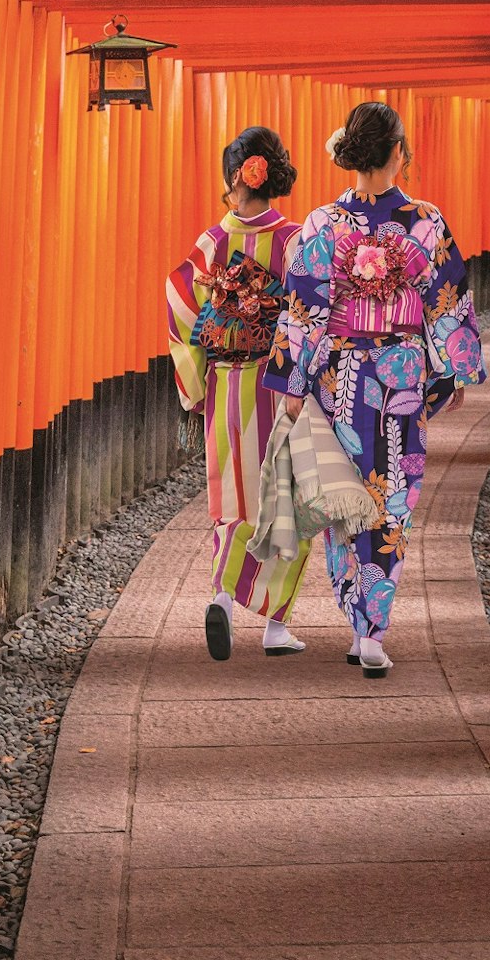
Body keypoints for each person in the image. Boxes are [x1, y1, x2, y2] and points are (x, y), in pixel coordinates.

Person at [262, 101, 486, 677]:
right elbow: (448, 298)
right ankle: (371, 629)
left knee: (349, 497)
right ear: (397, 154)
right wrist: (456, 367)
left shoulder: (321, 225)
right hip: (402, 374)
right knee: (391, 500)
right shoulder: (425, 221)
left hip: (341, 374)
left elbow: (303, 309)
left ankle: (357, 618)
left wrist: (295, 381)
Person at [165, 127, 315, 661]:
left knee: (233, 492)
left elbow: (182, 302)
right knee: (288, 498)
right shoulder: (295, 239)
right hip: (281, 386)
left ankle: (224, 598)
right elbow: (308, 314)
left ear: (237, 177)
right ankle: (276, 626)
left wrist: (194, 382)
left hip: (228, 383)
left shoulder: (212, 242)